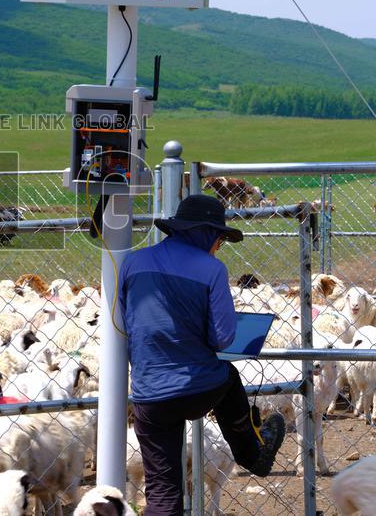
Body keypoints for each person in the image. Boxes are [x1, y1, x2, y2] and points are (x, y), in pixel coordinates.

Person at [118, 194, 285, 515]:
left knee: (163, 493)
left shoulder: (132, 263)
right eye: (220, 238)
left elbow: (128, 322)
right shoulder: (211, 269)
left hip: (149, 395)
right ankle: (253, 454)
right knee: (229, 377)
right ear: (207, 233)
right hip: (198, 387)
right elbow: (223, 338)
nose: (220, 245)